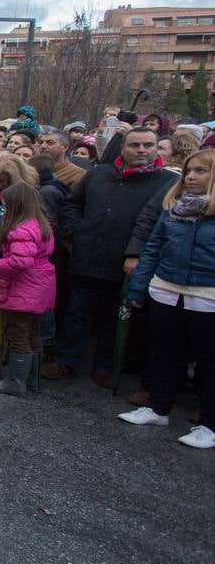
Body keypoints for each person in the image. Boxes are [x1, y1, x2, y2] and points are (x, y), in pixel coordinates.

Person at [47, 128, 178, 387]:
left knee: (115, 317)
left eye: (148, 145)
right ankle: (66, 361)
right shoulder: (98, 174)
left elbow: (161, 224)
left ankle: (105, 366)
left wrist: (138, 253)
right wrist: (78, 232)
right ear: (122, 148)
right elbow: (72, 204)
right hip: (88, 256)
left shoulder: (168, 182)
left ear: (156, 148)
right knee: (77, 312)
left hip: (127, 263)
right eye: (135, 145)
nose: (141, 150)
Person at [118, 149, 215, 448]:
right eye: (189, 171)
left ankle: (209, 424)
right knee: (164, 352)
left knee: (209, 361)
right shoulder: (173, 207)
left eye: (200, 171)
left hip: (207, 295)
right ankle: (158, 408)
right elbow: (153, 247)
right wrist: (139, 288)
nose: (191, 177)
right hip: (166, 289)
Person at [0, 183, 57, 397]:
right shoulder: (41, 225)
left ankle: (16, 382)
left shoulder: (21, 229)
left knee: (17, 333)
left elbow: (20, 261)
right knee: (32, 333)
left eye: (6, 205)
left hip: (24, 287)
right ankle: (32, 380)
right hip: (39, 285)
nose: (4, 209)